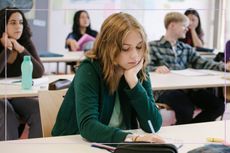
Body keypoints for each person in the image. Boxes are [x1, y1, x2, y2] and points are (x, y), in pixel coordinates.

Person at [52, 12, 163, 143]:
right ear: (109, 47)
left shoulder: (137, 70)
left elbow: (153, 124)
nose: (135, 56)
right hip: (74, 143)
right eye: (125, 48)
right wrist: (133, 138)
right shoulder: (89, 69)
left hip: (118, 144)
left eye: (139, 47)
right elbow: (88, 126)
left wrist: (133, 82)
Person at [148, 12, 229, 125]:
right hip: (166, 91)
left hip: (187, 89)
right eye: (184, 26)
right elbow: (143, 68)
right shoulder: (152, 46)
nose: (187, 29)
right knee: (186, 109)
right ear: (172, 25)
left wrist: (225, 67)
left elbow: (204, 63)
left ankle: (191, 129)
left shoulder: (186, 48)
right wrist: (155, 68)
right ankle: (182, 133)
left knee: (218, 106)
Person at [0, 7, 44, 140]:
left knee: (38, 108)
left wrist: (20, 49)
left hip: (15, 95)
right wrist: (7, 49)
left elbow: (39, 72)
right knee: (7, 113)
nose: (18, 26)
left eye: (21, 22)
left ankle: (33, 149)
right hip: (1, 97)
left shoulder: (25, 42)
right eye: (13, 23)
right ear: (3, 25)